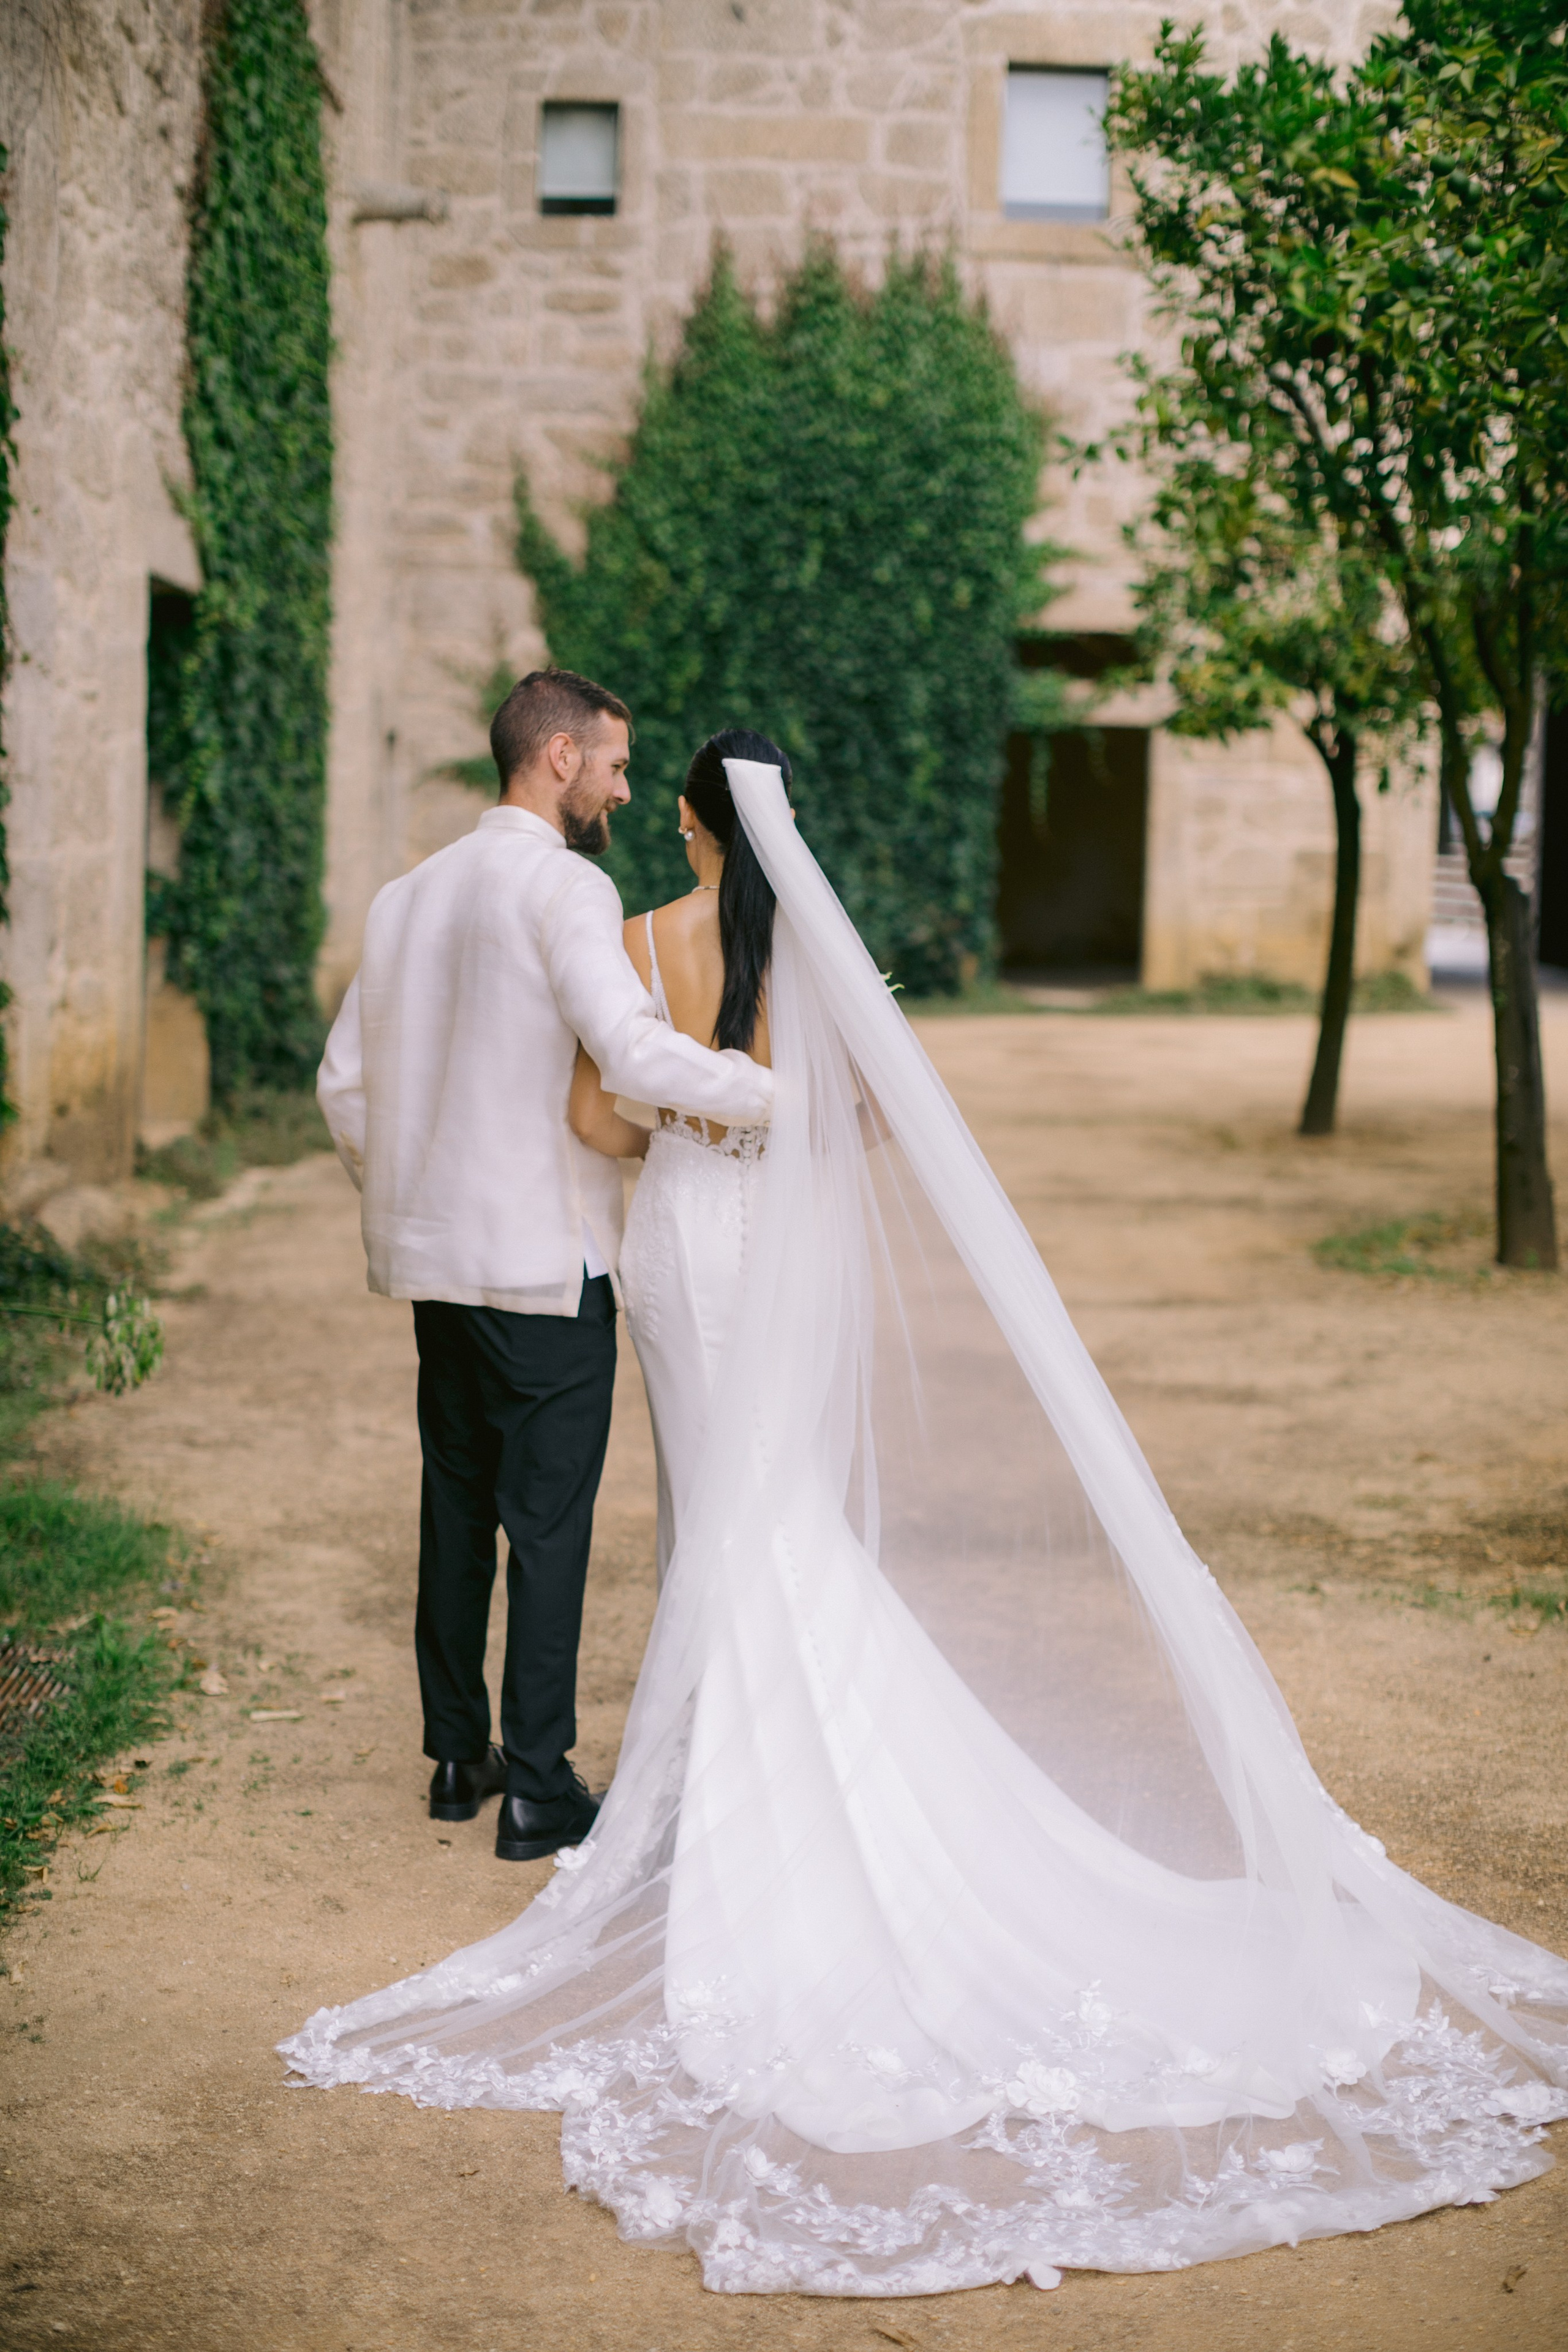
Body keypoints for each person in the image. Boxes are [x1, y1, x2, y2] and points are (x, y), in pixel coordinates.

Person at [288, 745, 1568, 2297]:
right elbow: (873, 1126)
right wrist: (789, 1119)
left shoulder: (633, 937)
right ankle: (740, 1780)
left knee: (709, 1516)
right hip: (777, 1253)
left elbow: (602, 1120)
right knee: (774, 1512)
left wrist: (690, 1124)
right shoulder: (817, 953)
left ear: (686, 825)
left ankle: (697, 1790)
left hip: (680, 1248)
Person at [314, 675, 772, 1865]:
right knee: (550, 1524)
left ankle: (453, 1758)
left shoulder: (406, 896)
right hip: (545, 1265)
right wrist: (768, 1096)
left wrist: (410, 1199)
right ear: (560, 756)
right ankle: (537, 1788)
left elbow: (343, 1084)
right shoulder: (567, 888)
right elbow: (630, 1052)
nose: (625, 790)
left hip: (437, 1264)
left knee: (457, 1505)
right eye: (615, 766)